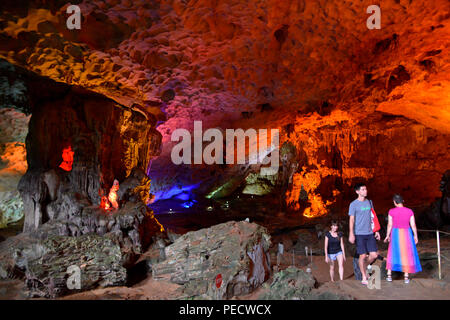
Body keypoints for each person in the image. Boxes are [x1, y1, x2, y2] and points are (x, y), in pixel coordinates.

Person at [384, 194, 422, 283]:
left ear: (394, 202)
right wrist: (415, 235)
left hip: (395, 233)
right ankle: (406, 277)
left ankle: (389, 275)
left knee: (393, 252)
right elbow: (413, 225)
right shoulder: (409, 211)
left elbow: (390, 224)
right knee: (406, 253)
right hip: (407, 233)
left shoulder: (391, 211)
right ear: (403, 201)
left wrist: (387, 235)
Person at [348, 183, 380, 285]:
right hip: (359, 234)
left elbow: (372, 217)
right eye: (362, 189)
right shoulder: (353, 204)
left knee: (374, 255)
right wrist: (351, 233)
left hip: (369, 233)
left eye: (365, 189)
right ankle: (364, 276)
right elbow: (351, 220)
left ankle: (365, 267)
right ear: (357, 192)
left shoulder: (369, 202)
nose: (365, 191)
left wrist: (376, 231)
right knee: (362, 255)